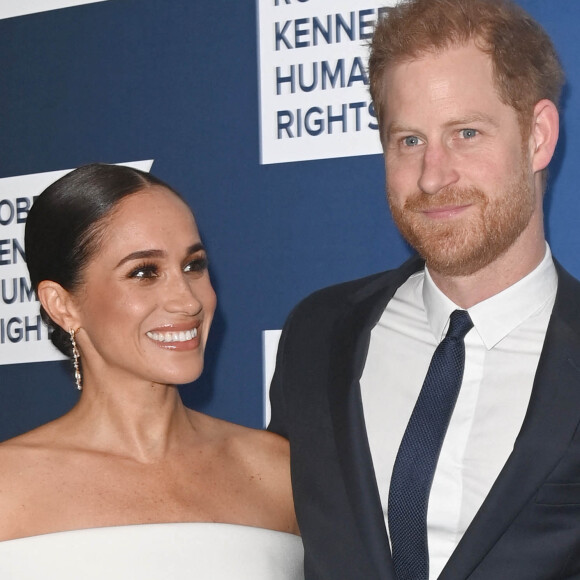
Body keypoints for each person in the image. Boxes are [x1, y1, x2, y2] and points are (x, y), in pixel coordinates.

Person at [269, 0, 580, 578]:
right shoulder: (316, 336)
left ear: (537, 136)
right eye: (409, 141)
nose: (434, 176)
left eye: (466, 132)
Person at [0, 163, 303, 579]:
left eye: (193, 266)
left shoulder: (281, 471)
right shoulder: (7, 487)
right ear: (62, 304)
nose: (187, 300)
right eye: (144, 272)